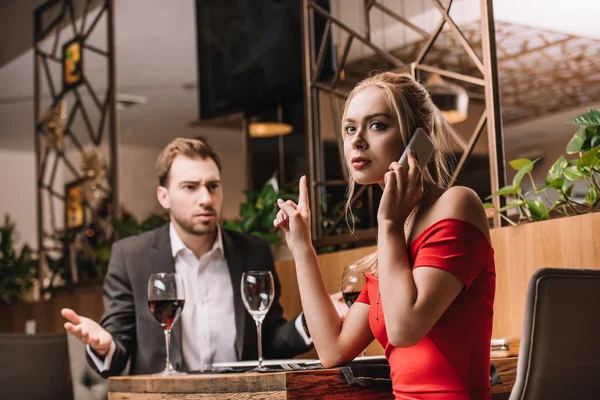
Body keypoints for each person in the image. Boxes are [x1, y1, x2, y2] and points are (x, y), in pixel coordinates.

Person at [274, 72, 496, 400]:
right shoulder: (393, 238)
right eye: (350, 128)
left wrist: (389, 223)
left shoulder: (458, 204)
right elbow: (333, 350)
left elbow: (404, 329)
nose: (357, 141)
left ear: (419, 139)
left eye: (377, 125)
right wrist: (302, 247)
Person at [61, 138, 314, 377]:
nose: (205, 199)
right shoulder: (131, 257)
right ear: (164, 196)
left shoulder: (253, 252)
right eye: (190, 187)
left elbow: (268, 339)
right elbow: (118, 349)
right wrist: (104, 347)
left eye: (212, 186)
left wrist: (314, 319)